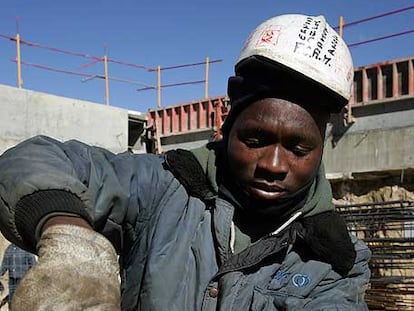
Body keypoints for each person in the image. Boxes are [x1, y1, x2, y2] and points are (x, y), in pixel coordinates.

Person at [0, 14, 371, 311]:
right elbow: (36, 158)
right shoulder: (162, 188)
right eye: (254, 140)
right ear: (227, 126)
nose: (273, 164)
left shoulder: (336, 263)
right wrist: (71, 241)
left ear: (322, 147)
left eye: (298, 148)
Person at [0, 244, 36, 310]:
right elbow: (4, 265)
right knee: (12, 299)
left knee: (23, 299)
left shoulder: (26, 249)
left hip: (23, 280)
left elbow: (33, 265)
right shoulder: (9, 248)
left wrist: (32, 278)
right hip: (12, 279)